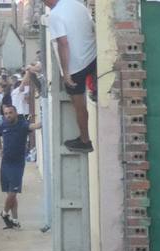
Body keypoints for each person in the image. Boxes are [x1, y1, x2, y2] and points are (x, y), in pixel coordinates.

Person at [45, 0, 98, 153]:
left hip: (76, 67)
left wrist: (66, 72)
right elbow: (91, 26)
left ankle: (85, 140)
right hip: (92, 57)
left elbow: (63, 43)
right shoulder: (76, 4)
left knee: (79, 106)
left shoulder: (54, 15)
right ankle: (94, 91)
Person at [0, 102, 37, 229]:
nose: (8, 115)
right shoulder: (3, 125)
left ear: (16, 113)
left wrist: (44, 119)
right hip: (5, 163)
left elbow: (34, 126)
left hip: (17, 164)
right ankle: (14, 220)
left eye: (10, 113)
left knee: (13, 193)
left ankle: (4, 213)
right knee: (10, 192)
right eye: (6, 114)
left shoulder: (22, 125)